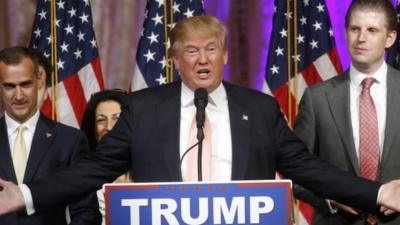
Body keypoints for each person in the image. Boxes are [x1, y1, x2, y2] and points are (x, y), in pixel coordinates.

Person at [1, 15, 400, 219]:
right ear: (175, 60)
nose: (203, 59)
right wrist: (27, 195)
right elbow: (93, 169)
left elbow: (306, 167)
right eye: (191, 51)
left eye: (211, 49)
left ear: (225, 55)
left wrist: (377, 192)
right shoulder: (143, 109)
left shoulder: (258, 110)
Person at [293, 0, 400, 224]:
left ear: (390, 38)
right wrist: (329, 200)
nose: (361, 38)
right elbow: (296, 170)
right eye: (355, 29)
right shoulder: (317, 98)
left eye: (371, 30)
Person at [0, 46, 101, 224]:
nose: (18, 95)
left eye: (25, 84)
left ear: (39, 82)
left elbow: (86, 212)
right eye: (9, 86)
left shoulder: (70, 141)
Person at [81, 89, 131, 225]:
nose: (109, 127)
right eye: (101, 120)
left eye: (117, 118)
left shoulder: (152, 167)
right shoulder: (82, 177)